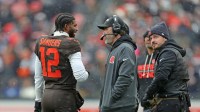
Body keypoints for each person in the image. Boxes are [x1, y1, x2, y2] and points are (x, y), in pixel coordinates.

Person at [34, 13, 89, 112]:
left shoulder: (41, 41)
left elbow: (38, 77)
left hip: (46, 98)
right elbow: (80, 76)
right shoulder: (71, 43)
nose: (76, 29)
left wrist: (38, 100)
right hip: (64, 98)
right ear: (66, 26)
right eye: (74, 25)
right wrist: (87, 73)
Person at [141, 22, 191, 112]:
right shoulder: (167, 51)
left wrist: (147, 95)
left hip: (171, 102)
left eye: (156, 37)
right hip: (175, 101)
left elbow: (161, 77)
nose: (152, 40)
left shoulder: (168, 52)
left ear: (165, 38)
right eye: (151, 38)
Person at [97, 15, 138, 112]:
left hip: (121, 107)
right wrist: (104, 103)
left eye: (106, 29)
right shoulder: (116, 49)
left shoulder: (125, 48)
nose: (104, 33)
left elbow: (125, 76)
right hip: (114, 106)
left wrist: (112, 97)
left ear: (116, 29)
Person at [137, 30, 157, 111]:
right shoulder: (139, 60)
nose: (148, 39)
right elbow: (136, 83)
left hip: (160, 104)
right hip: (145, 104)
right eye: (146, 37)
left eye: (150, 37)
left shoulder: (161, 58)